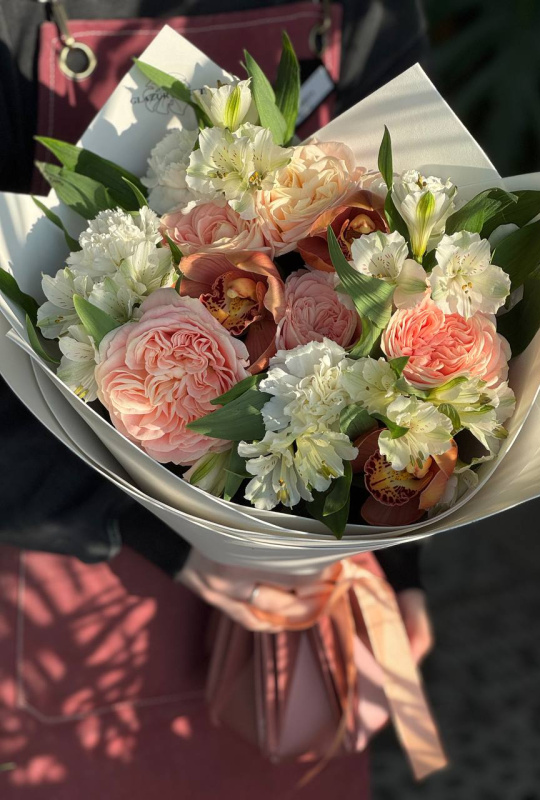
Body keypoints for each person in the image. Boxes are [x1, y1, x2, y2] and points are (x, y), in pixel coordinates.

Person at [0, 0, 433, 716]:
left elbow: (417, 238)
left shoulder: (368, 10)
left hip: (310, 589)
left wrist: (398, 544)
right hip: (76, 577)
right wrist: (164, 536)